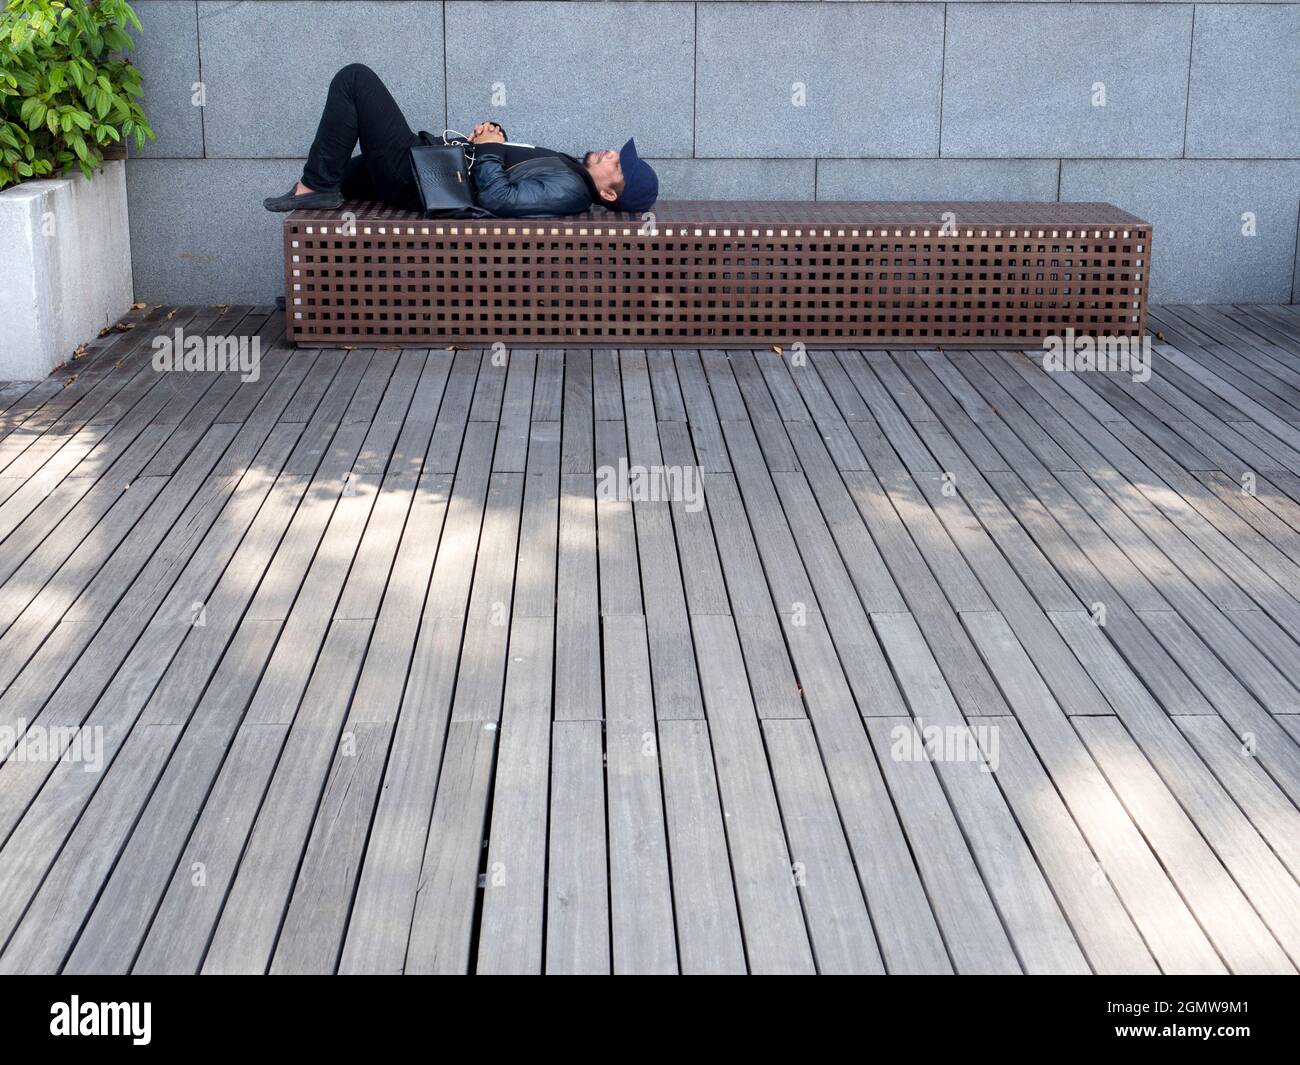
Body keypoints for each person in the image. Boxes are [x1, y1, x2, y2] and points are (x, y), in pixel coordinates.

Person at [263, 63, 658, 218]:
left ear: (608, 195)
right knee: (344, 182)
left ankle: (315, 185)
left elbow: (499, 199)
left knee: (355, 80)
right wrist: (491, 138)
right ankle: (309, 296)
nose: (610, 154)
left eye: (617, 165)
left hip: (419, 179)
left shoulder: (570, 189)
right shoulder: (569, 172)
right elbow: (507, 172)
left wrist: (485, 149)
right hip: (430, 170)